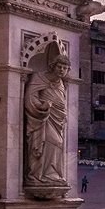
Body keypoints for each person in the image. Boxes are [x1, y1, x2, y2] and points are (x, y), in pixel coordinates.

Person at [23, 54, 70, 184]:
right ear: (53, 66)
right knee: (51, 142)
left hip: (58, 119)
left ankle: (52, 174)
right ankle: (37, 175)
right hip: (43, 118)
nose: (62, 70)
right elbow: (31, 97)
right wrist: (41, 106)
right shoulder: (39, 77)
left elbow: (61, 101)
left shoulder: (60, 83)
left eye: (65, 68)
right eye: (59, 67)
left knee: (58, 144)